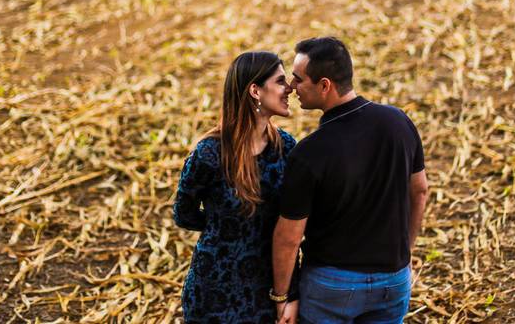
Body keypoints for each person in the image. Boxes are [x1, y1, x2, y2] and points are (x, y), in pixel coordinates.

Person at [272, 37, 429, 324]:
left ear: (324, 86)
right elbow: (419, 192)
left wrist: (282, 298)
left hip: (331, 286)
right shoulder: (398, 123)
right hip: (393, 281)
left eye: (298, 79)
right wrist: (405, 252)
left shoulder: (309, 153)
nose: (292, 87)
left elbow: (289, 237)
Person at [174, 51, 300, 323]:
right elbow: (183, 213)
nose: (289, 88)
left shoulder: (287, 148)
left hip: (267, 291)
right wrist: (223, 228)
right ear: (255, 90)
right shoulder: (209, 154)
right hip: (213, 291)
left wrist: (290, 293)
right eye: (280, 81)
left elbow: (294, 229)